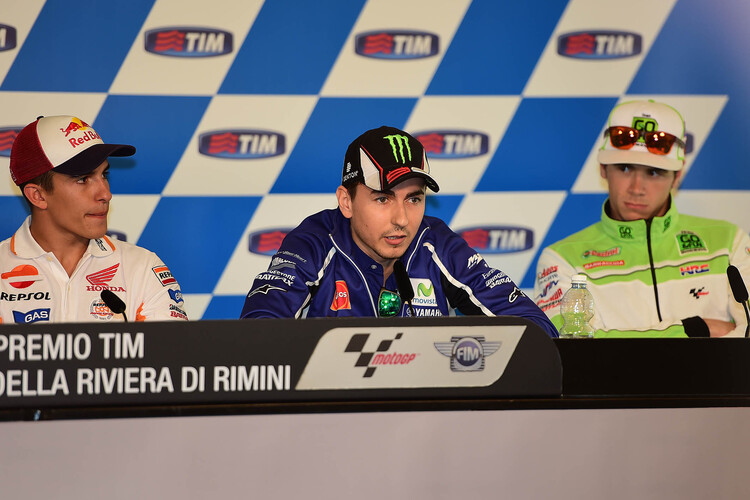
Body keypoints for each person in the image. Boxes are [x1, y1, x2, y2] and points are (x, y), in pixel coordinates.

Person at [240, 126, 558, 337]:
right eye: (382, 198)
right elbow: (256, 337)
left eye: (414, 199)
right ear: (346, 201)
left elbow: (537, 331)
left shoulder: (435, 242)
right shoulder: (314, 242)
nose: (402, 219)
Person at [534, 100, 750, 337]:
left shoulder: (730, 241)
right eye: (625, 168)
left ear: (677, 176)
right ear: (603, 169)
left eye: (654, 172)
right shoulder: (562, 258)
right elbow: (570, 345)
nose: (637, 188)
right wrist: (693, 330)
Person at [0, 115, 187, 324]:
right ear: (38, 195)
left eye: (104, 175)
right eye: (83, 179)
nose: (105, 194)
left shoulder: (142, 268)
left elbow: (173, 355)